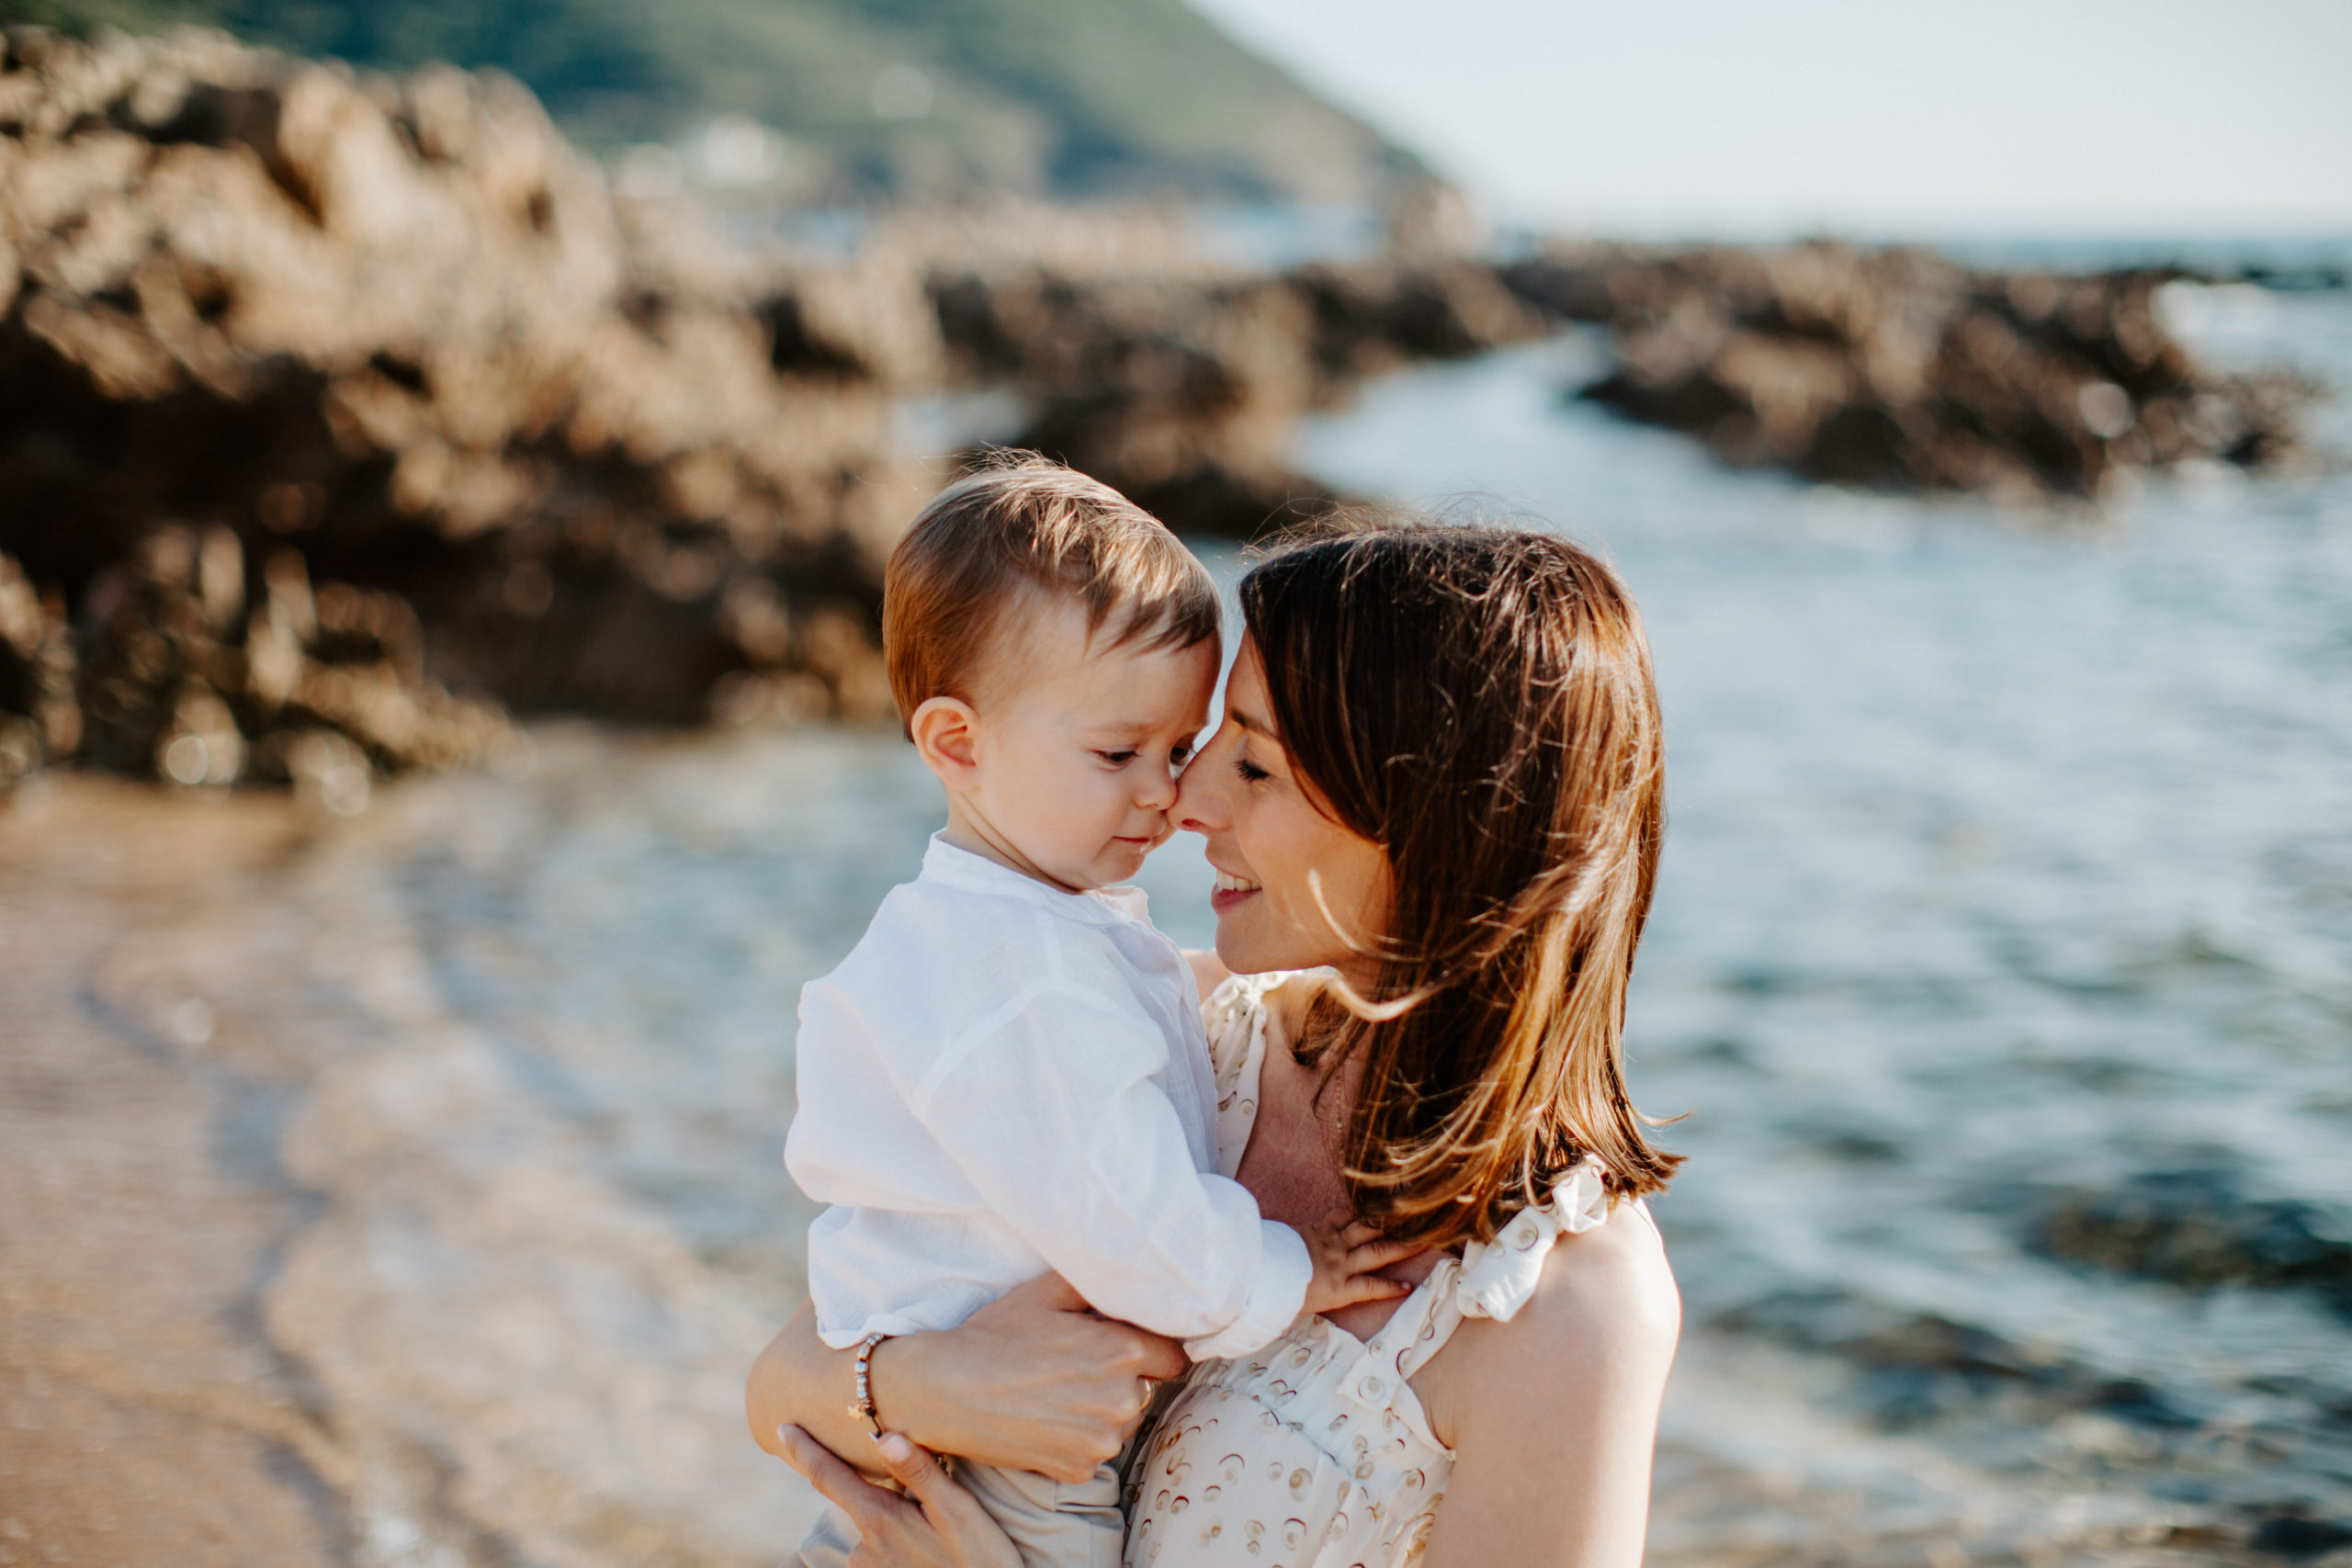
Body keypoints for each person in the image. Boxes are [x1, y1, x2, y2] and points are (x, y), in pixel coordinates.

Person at [752, 515, 1685, 1568]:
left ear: (1430, 821)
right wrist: (926, 1388)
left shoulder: (1567, 1309)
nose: (1181, 801)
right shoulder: (1156, 1027)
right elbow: (782, 1382)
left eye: (1255, 769)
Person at [783, 457, 1418, 1568]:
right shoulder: (1022, 978)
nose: (1167, 795)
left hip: (948, 1418)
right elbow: (1142, 1240)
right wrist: (1288, 1274)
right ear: (955, 743)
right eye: (1118, 754)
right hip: (1009, 1469)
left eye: (1178, 750)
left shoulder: (1003, 937)